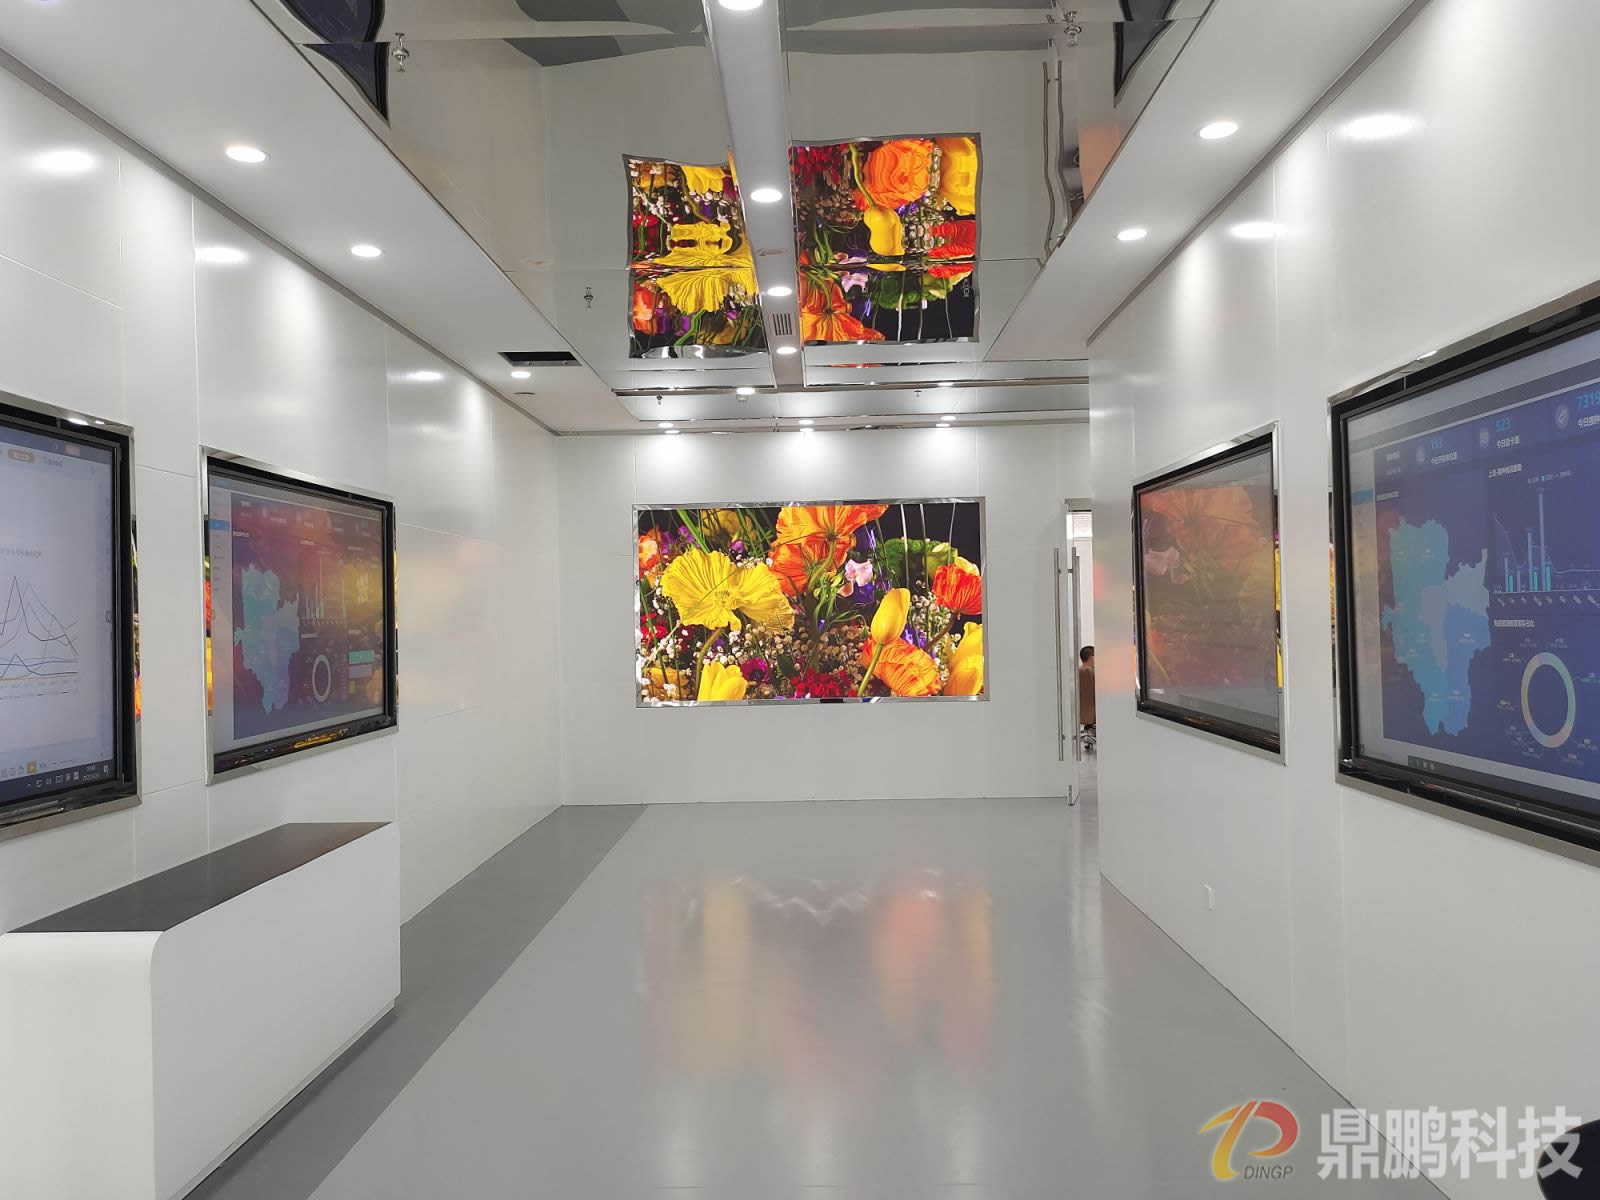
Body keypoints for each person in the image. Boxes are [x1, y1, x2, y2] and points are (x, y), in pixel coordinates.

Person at [1077, 645, 1095, 731]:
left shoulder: (1077, 672)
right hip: (1093, 716)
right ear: (1092, 658)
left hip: (1081, 715)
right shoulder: (1091, 672)